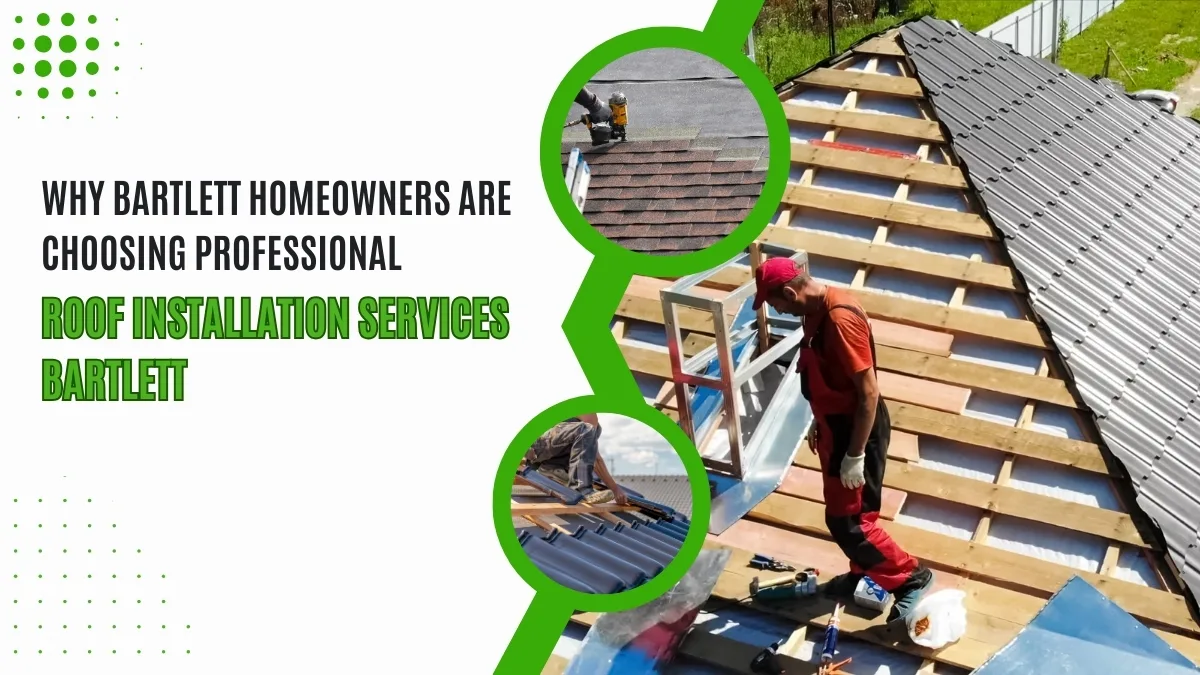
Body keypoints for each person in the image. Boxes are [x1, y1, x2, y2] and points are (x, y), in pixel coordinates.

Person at [752, 257, 933, 623]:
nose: (778, 311)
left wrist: (855, 454)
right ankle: (863, 572)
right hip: (835, 426)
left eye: (776, 304)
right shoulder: (814, 310)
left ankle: (910, 577)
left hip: (855, 431)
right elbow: (825, 374)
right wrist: (818, 419)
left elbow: (868, 393)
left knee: (852, 522)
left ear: (790, 292)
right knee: (845, 515)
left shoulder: (839, 320)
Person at [523, 413, 629, 506]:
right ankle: (581, 489)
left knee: (586, 430)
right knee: (586, 429)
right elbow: (595, 458)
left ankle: (553, 469)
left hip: (537, 451)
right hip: (535, 448)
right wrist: (615, 489)